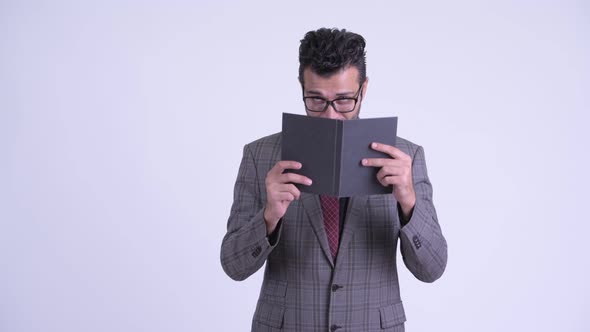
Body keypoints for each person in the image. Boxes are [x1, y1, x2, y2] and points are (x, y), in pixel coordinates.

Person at [220, 27, 447, 332]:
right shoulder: (259, 156)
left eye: (343, 100)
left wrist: (409, 204)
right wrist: (268, 218)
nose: (330, 116)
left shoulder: (405, 158)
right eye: (315, 99)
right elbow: (234, 267)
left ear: (363, 90)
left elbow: (432, 269)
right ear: (301, 88)